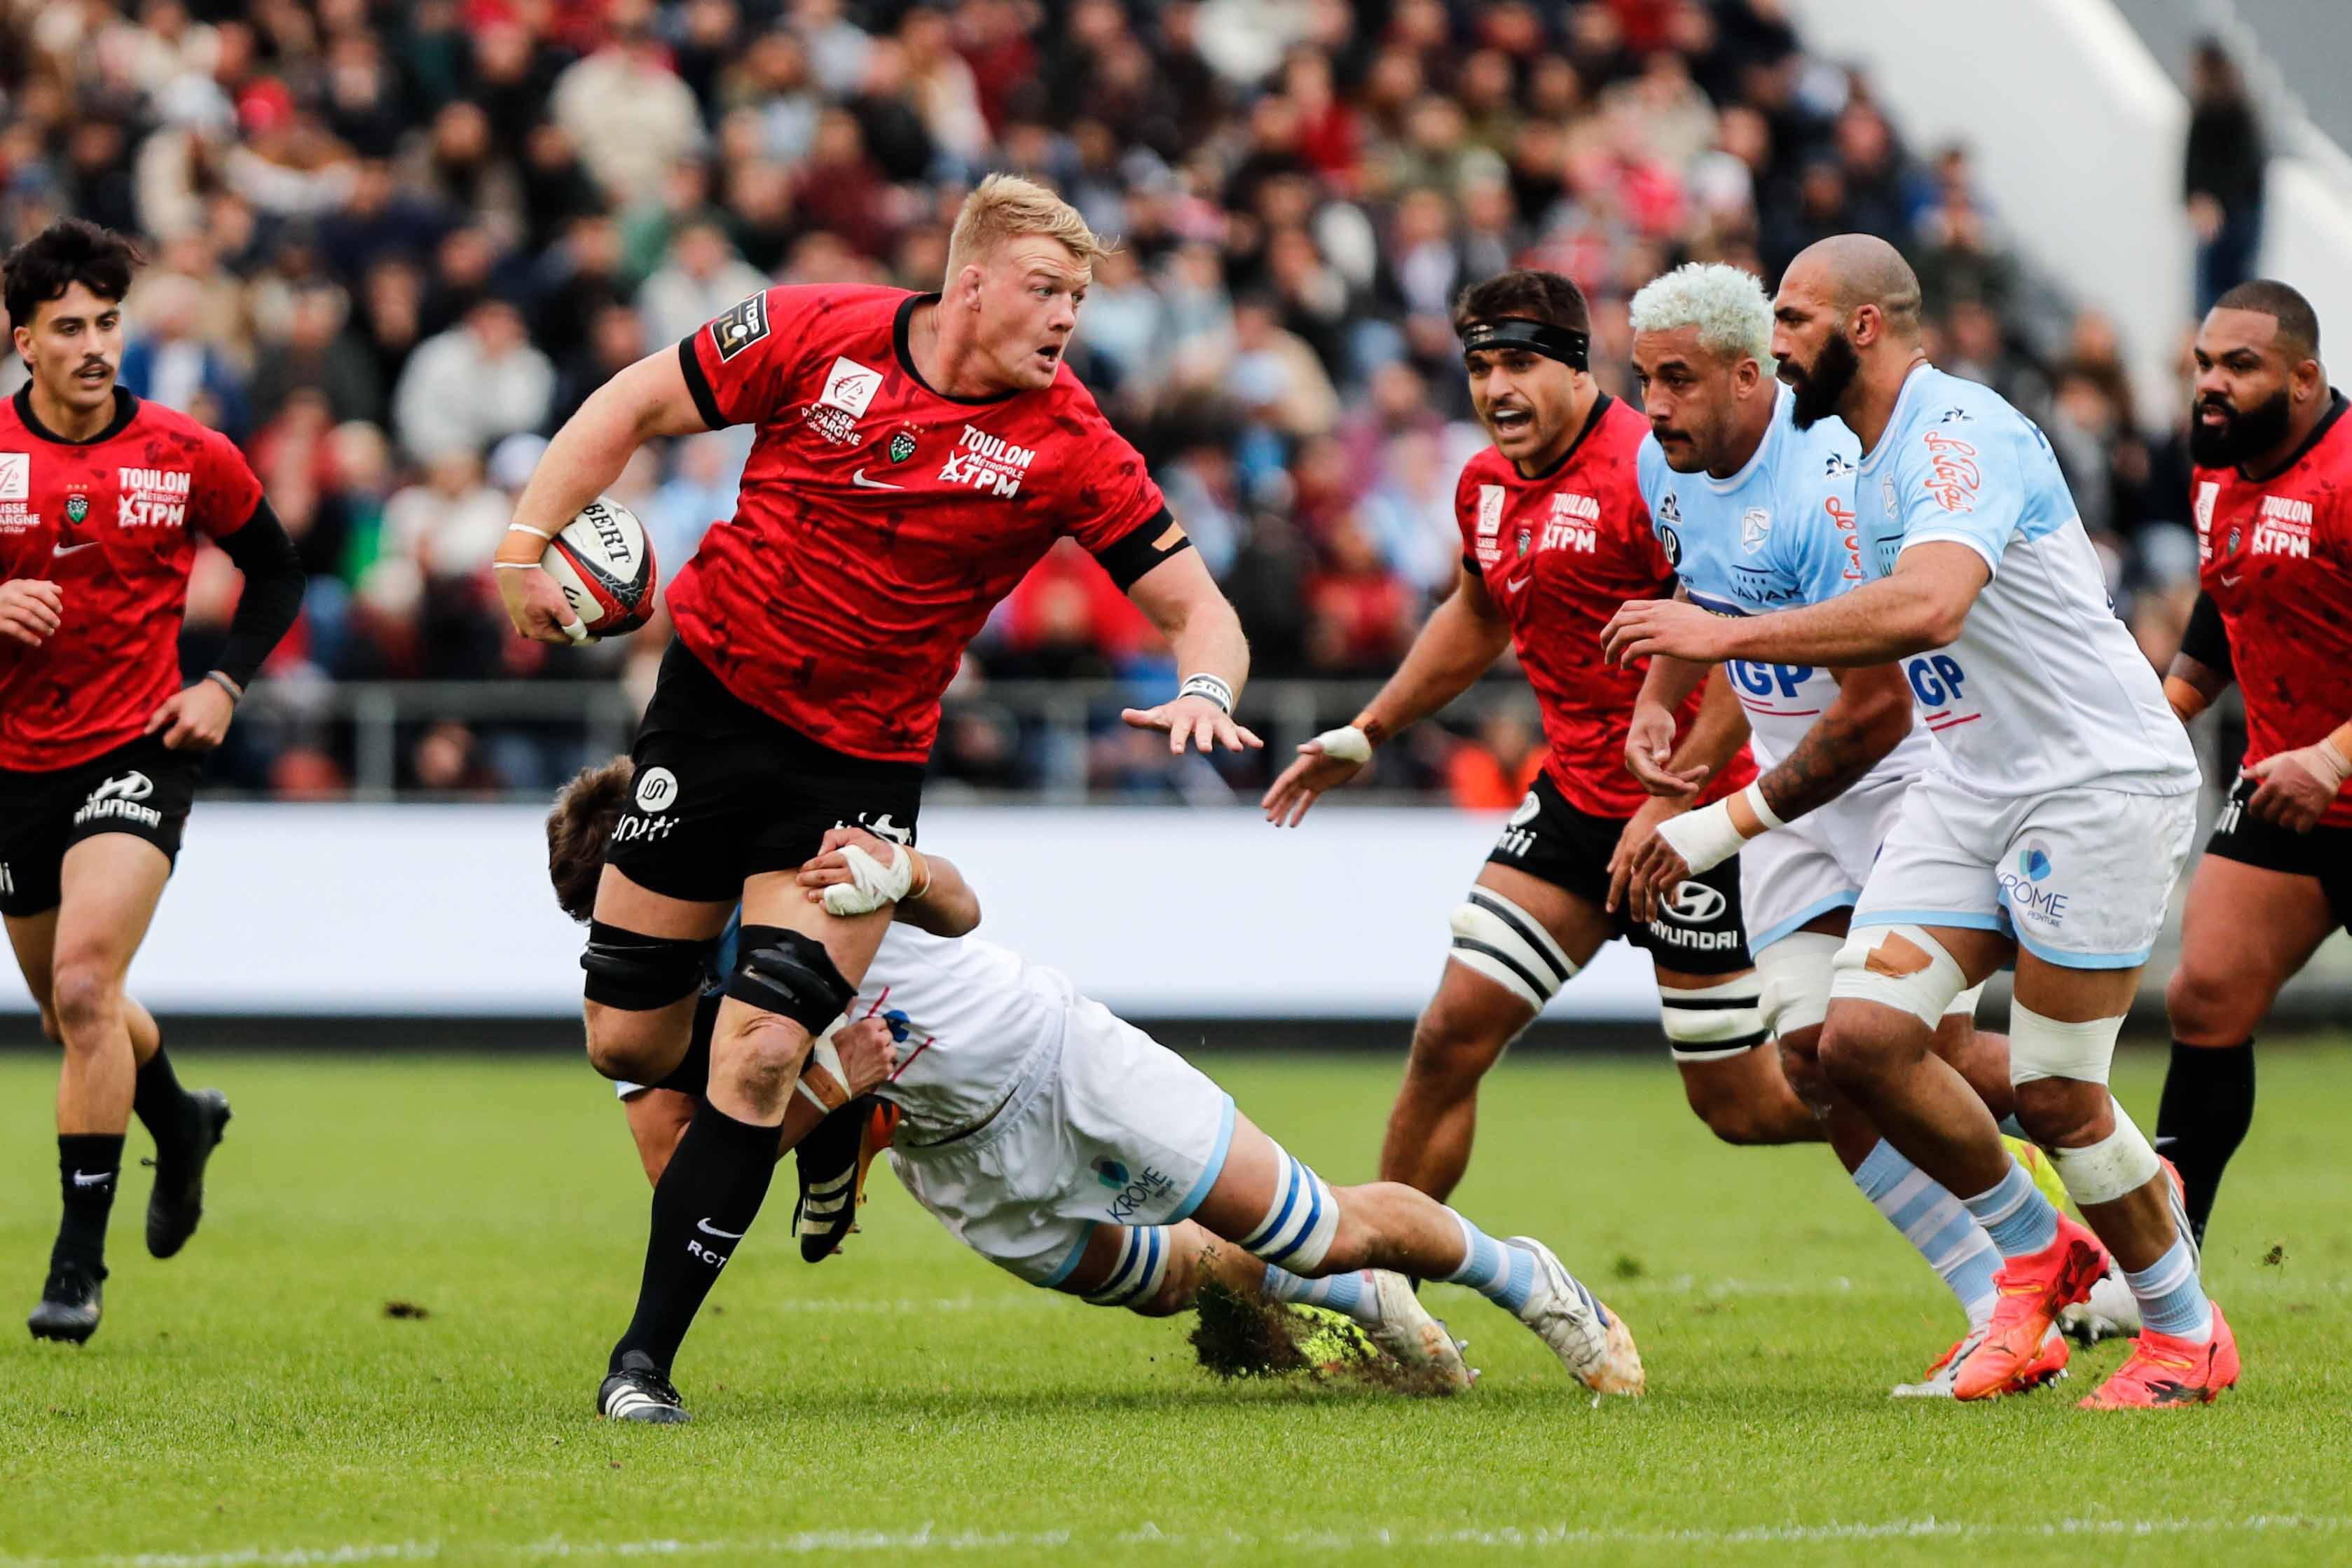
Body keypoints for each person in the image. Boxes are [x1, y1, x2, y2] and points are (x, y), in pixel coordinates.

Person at [491, 176, 1258, 1419]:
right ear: (971, 283)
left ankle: (641, 1366)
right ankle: (836, 1105)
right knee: (626, 1043)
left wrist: (1206, 685)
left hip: (854, 770)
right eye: (1046, 289)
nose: (1068, 316)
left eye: (1078, 296)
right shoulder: (813, 330)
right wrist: (522, 546)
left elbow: (1195, 605)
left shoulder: (1070, 440)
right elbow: (632, 401)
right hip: (707, 717)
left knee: (756, 1056)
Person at [1602, 235, 2230, 1409]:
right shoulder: (1859, 456)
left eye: (1792, 320)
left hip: (2089, 780)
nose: (1774, 344)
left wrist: (1718, 648)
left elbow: (1930, 607)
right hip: (1967, 781)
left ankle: (2185, 1332)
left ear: (1864, 327)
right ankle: (2032, 1262)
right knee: (1853, 1045)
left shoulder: (1955, 436)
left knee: (2055, 1090)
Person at [545, 758, 1642, 1421]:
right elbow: (676, 1169)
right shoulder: (639, 999)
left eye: (635, 907)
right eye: (606, 926)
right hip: (955, 1162)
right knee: (1170, 1285)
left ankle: (1532, 1283)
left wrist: (904, 869)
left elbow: (959, 905)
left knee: (1323, 1229)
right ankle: (1367, 1303)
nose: (632, 936)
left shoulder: (787, 868)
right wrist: (828, 1089)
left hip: (1056, 1061)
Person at [1611, 262, 2065, 1396]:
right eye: (1643, 379)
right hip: (1789, 792)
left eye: (1677, 379)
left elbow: (1876, 711)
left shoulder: (1825, 483)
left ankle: (2112, 1177)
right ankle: (2001, 1304)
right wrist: (1663, 708)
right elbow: (1710, 599)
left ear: (1747, 374)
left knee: (1914, 1054)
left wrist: (1716, 821)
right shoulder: (1665, 466)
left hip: (1903, 782)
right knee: (1817, 1060)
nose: (1653, 405)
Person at [1260, 268, 1804, 1213]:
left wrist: (1672, 800)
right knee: (1449, 1036)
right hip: (1576, 805)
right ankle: (1380, 1274)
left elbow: (1736, 639)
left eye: (1518, 364)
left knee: (1743, 1106)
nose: (1495, 389)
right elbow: (1475, 615)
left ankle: (1962, 1129)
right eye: (1480, 368)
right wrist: (1369, 727)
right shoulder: (1484, 484)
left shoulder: (1655, 470)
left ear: (1575, 366)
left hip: (1696, 815)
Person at [0, 218, 305, 1342]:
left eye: (108, 322)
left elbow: (278, 573)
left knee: (87, 987)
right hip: (14, 767)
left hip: (139, 747)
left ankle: (76, 1267)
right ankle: (177, 1120)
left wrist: (223, 682)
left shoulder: (185, 452)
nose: (94, 345)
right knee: (64, 1009)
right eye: (68, 327)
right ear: (24, 342)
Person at [2159, 280, 2352, 1244]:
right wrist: (2165, 713)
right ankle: (2159, 1271)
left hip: (2325, 770)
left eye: (2240, 366)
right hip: (2287, 793)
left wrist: (2333, 757)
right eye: (2204, 363)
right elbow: (2227, 598)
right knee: (2203, 996)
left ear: (2303, 379)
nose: (2211, 384)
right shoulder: (2214, 470)